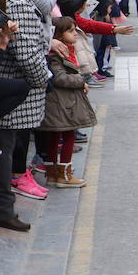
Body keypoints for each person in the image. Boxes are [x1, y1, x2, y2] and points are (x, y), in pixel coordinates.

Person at [0, 0, 50, 229]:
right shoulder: (19, 6)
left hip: (8, 83)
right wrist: (44, 78)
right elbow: (27, 52)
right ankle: (3, 209)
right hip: (13, 88)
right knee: (3, 150)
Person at [38, 16, 97, 188]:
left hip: (62, 102)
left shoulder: (63, 51)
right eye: (71, 30)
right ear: (60, 36)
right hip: (61, 102)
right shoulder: (56, 55)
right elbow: (60, 78)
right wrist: (80, 81)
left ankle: (53, 174)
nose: (75, 33)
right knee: (68, 134)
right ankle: (64, 176)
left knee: (55, 136)